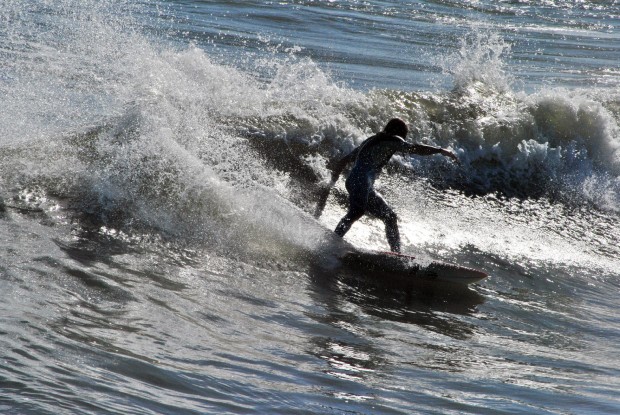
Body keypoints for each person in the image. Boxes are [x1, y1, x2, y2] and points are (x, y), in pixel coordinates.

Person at [315, 118, 458, 253]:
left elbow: (343, 161)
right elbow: (414, 148)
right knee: (356, 212)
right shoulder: (394, 139)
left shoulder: (371, 141)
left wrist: (331, 182)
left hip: (358, 182)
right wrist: (440, 151)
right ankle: (331, 243)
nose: (403, 139)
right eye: (404, 135)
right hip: (361, 181)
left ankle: (396, 255)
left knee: (390, 217)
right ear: (400, 133)